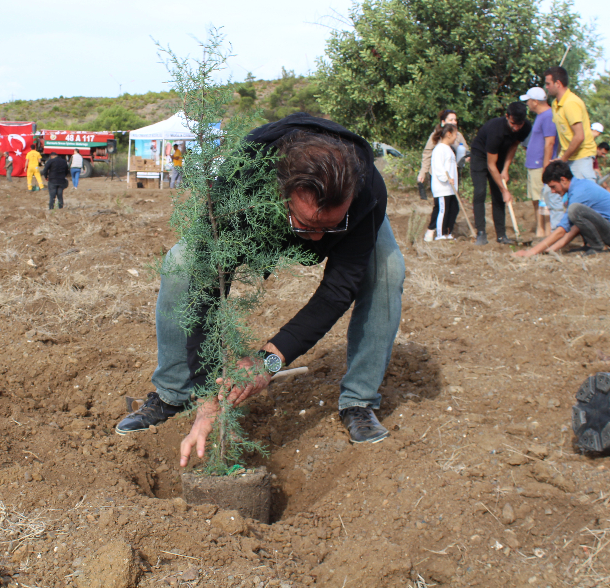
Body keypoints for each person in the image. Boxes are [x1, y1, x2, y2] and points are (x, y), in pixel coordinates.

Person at [115, 113, 405, 450]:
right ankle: (173, 394)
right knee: (182, 262)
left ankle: (359, 401)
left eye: (331, 226)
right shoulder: (240, 180)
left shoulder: (367, 191)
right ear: (280, 193)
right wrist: (209, 394)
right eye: (307, 225)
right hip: (252, 213)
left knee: (386, 270)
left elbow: (339, 287)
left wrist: (268, 360)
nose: (316, 239)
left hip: (349, 215)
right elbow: (205, 287)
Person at [513, 160, 610, 258]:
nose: (553, 191)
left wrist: (531, 252)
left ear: (563, 180)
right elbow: (573, 228)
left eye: (553, 187)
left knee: (574, 209)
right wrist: (549, 250)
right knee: (575, 212)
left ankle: (598, 248)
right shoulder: (578, 187)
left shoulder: (579, 192)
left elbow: (562, 230)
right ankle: (591, 246)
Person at [469, 101, 532, 245]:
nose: (516, 128)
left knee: (498, 196)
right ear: (507, 116)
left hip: (500, 157)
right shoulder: (495, 130)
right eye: (513, 123)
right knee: (480, 192)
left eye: (519, 124)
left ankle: (501, 236)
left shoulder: (526, 127)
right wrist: (505, 190)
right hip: (480, 155)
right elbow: (491, 165)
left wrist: (505, 169)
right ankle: (481, 233)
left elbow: (514, 145)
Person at [544, 66, 598, 180]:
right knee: (552, 193)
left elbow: (579, 136)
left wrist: (563, 158)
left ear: (557, 83)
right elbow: (562, 134)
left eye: (548, 84)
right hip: (566, 157)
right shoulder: (555, 103)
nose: (546, 87)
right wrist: (559, 157)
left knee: (582, 196)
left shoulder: (571, 103)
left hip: (581, 157)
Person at [520, 87, 557, 237]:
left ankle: (545, 230)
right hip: (533, 164)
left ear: (535, 102)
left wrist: (546, 166)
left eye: (528, 101)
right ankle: (540, 228)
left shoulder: (548, 116)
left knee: (543, 198)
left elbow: (550, 142)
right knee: (536, 198)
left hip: (540, 165)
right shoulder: (541, 116)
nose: (527, 104)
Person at [417, 109, 468, 196]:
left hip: (452, 174)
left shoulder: (458, 135)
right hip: (438, 176)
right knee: (441, 204)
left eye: (455, 120)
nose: (454, 122)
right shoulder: (435, 135)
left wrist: (465, 158)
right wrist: (423, 172)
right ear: (443, 122)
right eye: (451, 120)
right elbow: (427, 154)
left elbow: (465, 150)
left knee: (453, 204)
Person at [423, 123, 460, 241]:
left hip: (451, 188)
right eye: (455, 135)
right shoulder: (439, 149)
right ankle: (441, 234)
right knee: (443, 211)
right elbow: (438, 167)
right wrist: (446, 177)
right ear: (449, 134)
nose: (456, 137)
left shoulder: (449, 149)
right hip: (443, 188)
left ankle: (448, 232)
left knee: (454, 209)